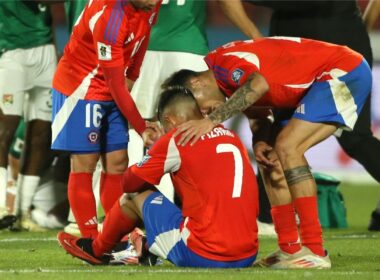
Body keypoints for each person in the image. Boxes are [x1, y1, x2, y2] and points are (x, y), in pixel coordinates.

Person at [163, 37, 372, 268]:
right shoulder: (228, 86)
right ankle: (289, 248)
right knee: (269, 160)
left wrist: (212, 120)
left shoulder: (224, 63)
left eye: (198, 107)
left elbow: (258, 84)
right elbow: (258, 117)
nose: (203, 112)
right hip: (312, 86)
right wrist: (260, 142)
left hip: (342, 70)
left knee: (287, 146)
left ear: (196, 83)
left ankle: (314, 249)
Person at [57, 86, 259, 267]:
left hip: (204, 254)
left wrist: (155, 150)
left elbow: (128, 183)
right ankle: (144, 246)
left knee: (133, 195)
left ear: (170, 120)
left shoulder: (176, 138)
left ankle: (96, 250)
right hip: (248, 253)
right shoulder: (231, 136)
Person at [248, 0, 380, 231]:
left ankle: (266, 218)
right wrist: (360, 28)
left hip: (316, 42)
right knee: (280, 132)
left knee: (353, 138)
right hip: (312, 40)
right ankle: (265, 217)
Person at [128, 0, 263, 201]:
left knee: (140, 126)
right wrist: (256, 37)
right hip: (188, 45)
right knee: (202, 127)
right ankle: (209, 200)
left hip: (145, 43)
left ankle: (144, 202)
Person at [51, 0, 162, 239]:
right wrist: (142, 127)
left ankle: (115, 235)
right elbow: (114, 84)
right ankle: (91, 240)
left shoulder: (150, 3)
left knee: (118, 161)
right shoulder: (110, 19)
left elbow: (142, 41)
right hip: (81, 88)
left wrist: (133, 75)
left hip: (113, 86)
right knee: (85, 163)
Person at [0, 1, 57, 231]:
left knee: (42, 133)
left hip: (45, 50)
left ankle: (22, 213)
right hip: (12, 50)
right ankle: (2, 205)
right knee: (5, 129)